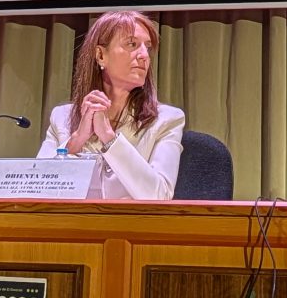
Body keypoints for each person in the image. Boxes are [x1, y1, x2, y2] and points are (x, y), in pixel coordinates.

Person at [38, 11, 184, 200]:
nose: (144, 56)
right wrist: (77, 140)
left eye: (147, 47)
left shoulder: (167, 120)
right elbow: (39, 188)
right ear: (100, 55)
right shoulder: (61, 117)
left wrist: (109, 138)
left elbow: (159, 195)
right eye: (132, 44)